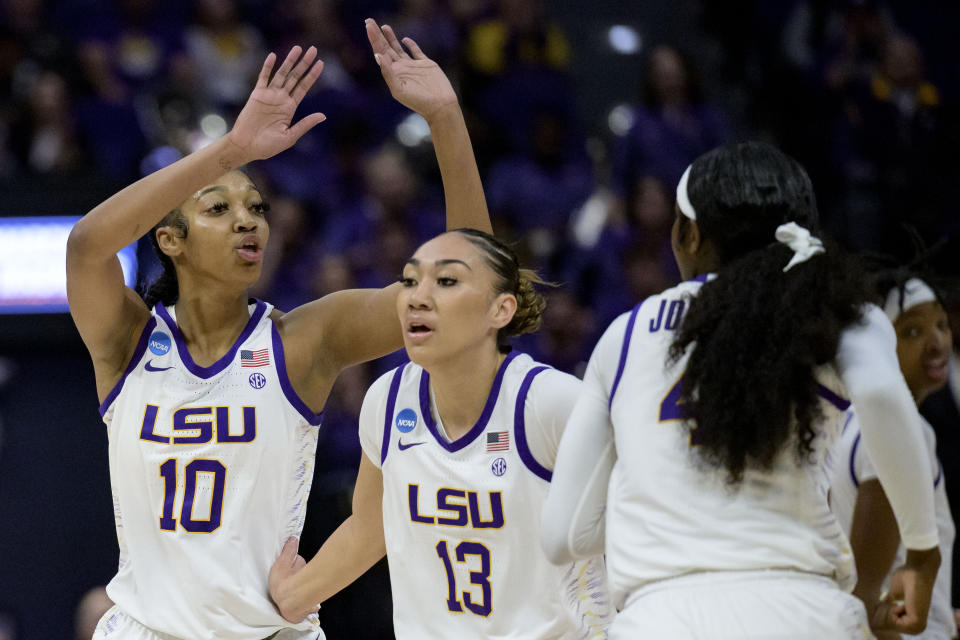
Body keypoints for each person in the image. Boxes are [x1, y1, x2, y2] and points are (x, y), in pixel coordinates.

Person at [66, 18, 491, 640]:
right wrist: (232, 151)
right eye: (219, 209)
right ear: (169, 240)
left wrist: (447, 119)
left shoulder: (303, 340)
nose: (248, 222)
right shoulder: (127, 340)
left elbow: (468, 288)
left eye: (256, 208)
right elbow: (85, 247)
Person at [540, 141, 942, 639]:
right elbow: (882, 396)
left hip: (662, 618)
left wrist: (656, 498)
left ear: (690, 234)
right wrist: (923, 550)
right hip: (803, 612)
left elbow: (562, 536)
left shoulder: (625, 333)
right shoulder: (836, 309)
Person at [267, 225, 612, 637]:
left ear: (500, 310)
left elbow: (644, 522)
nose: (417, 297)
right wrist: (295, 594)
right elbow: (369, 526)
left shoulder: (552, 403)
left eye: (446, 281)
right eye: (410, 281)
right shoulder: (388, 400)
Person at [829, 270, 956, 639]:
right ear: (880, 347)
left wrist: (945, 619)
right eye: (912, 332)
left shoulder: (843, 420)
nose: (937, 343)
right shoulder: (898, 433)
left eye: (942, 325)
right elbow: (868, 598)